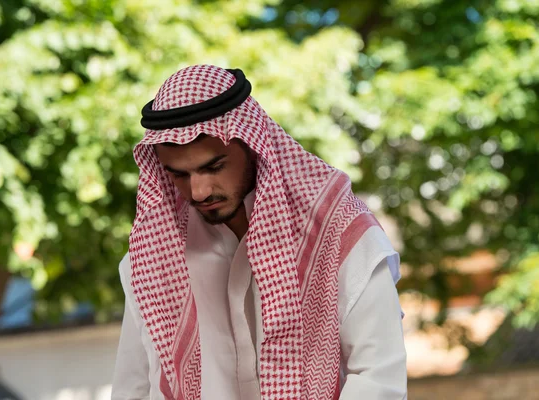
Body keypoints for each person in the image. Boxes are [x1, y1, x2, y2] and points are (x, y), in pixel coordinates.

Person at [111, 65, 407, 400]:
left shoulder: (342, 235)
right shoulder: (154, 257)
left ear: (253, 146)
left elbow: (378, 378)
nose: (198, 191)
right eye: (180, 175)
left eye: (214, 167)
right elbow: (132, 387)